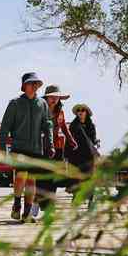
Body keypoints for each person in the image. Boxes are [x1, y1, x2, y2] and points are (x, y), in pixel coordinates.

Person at [0, 72, 54, 223]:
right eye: (31, 83)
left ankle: (27, 213)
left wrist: (50, 144)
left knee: (31, 181)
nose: (34, 86)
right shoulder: (15, 104)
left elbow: (47, 125)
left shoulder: (42, 104)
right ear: (24, 86)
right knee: (21, 175)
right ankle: (17, 205)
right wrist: (2, 148)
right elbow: (5, 127)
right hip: (19, 147)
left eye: (36, 83)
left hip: (36, 148)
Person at [34, 85, 78, 214]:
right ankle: (37, 203)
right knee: (41, 177)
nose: (54, 99)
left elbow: (64, 127)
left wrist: (71, 140)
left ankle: (50, 205)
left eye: (57, 97)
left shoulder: (61, 112)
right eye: (52, 97)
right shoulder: (39, 109)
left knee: (54, 178)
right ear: (46, 98)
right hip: (42, 147)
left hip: (57, 148)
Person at [65, 104, 99, 199]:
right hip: (76, 156)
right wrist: (66, 154)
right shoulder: (73, 125)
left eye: (83, 110)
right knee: (76, 179)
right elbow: (68, 140)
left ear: (86, 112)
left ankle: (90, 200)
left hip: (88, 155)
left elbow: (93, 140)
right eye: (78, 110)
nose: (80, 111)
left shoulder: (91, 126)